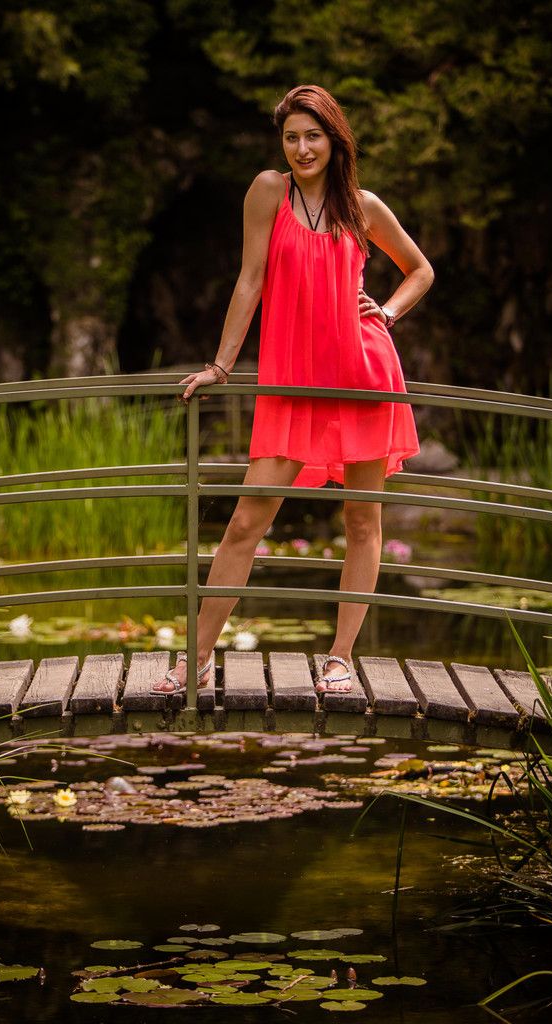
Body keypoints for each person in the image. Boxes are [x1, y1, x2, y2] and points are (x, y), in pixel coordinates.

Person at [152, 84, 434, 695]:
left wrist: (386, 312)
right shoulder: (268, 191)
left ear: (335, 140)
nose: (303, 148)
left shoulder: (363, 206)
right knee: (245, 522)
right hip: (290, 379)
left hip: (362, 374)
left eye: (313, 136)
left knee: (362, 521)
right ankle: (197, 658)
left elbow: (421, 270)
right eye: (291, 137)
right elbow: (250, 280)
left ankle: (340, 658)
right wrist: (222, 365)